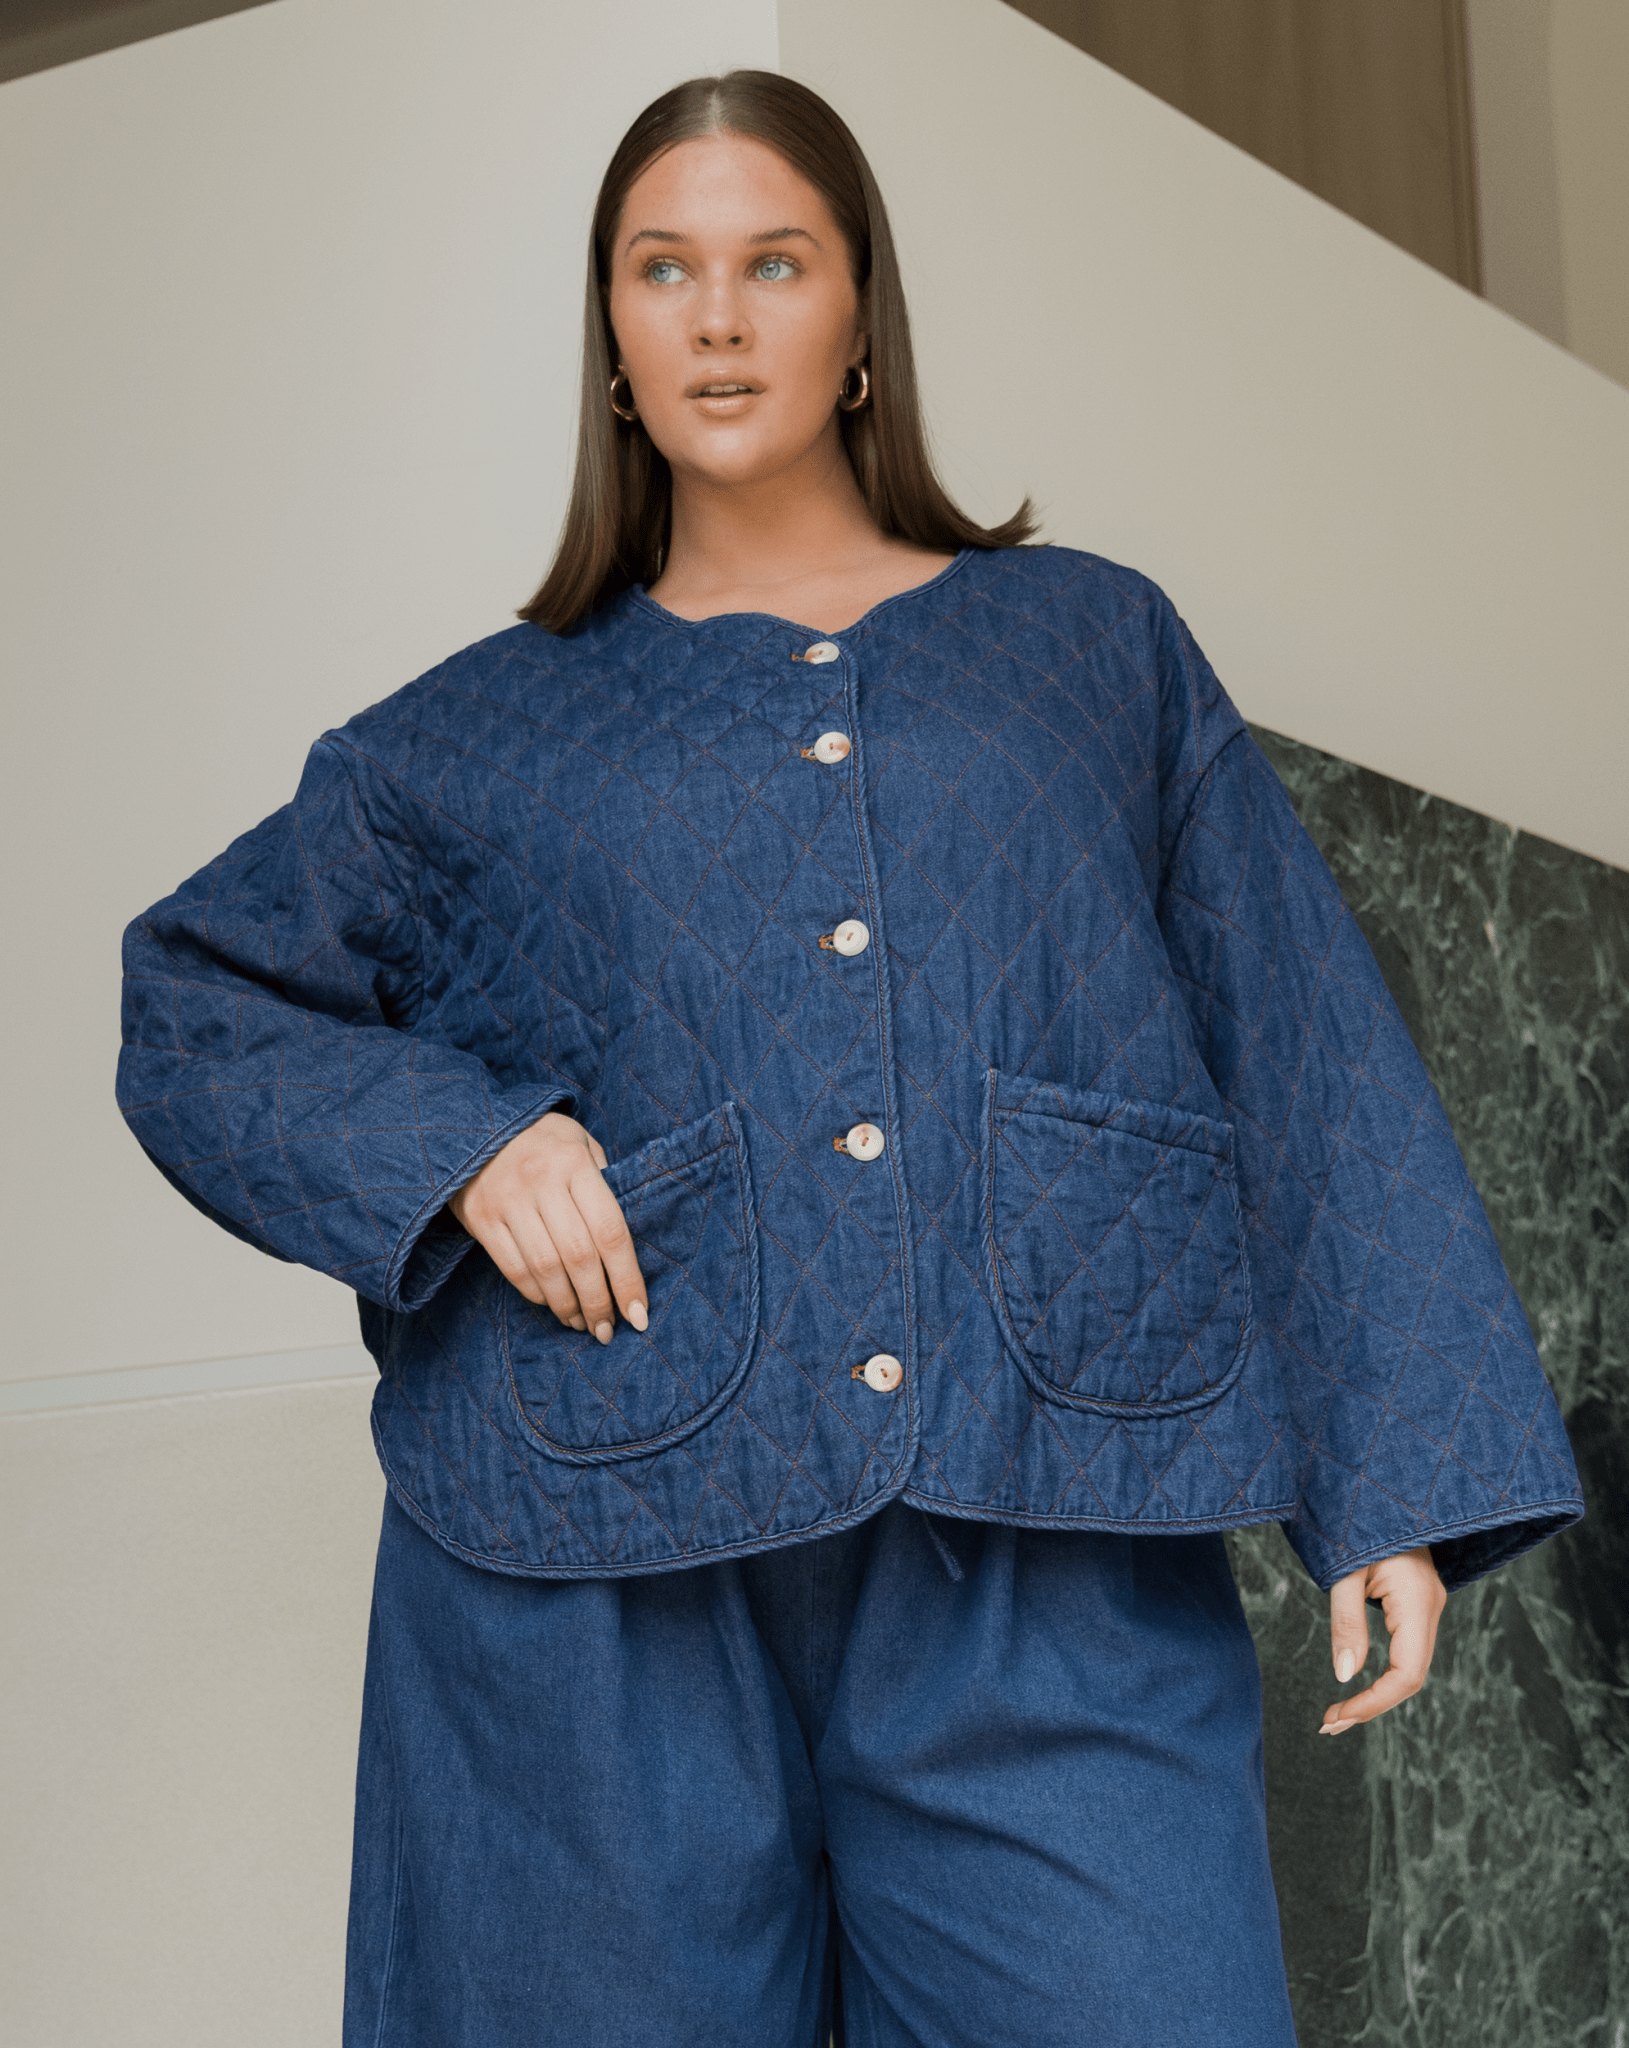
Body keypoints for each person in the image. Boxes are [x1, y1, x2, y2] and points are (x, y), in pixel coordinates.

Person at [116, 69, 1582, 2048]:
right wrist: (462, 1147)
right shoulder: (466, 738)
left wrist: (1390, 1470)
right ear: (610, 333)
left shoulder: (1089, 646)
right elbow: (193, 998)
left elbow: (1291, 1031)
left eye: (775, 263)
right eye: (664, 270)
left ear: (860, 313)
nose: (719, 318)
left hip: (1045, 1520)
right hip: (585, 1571)